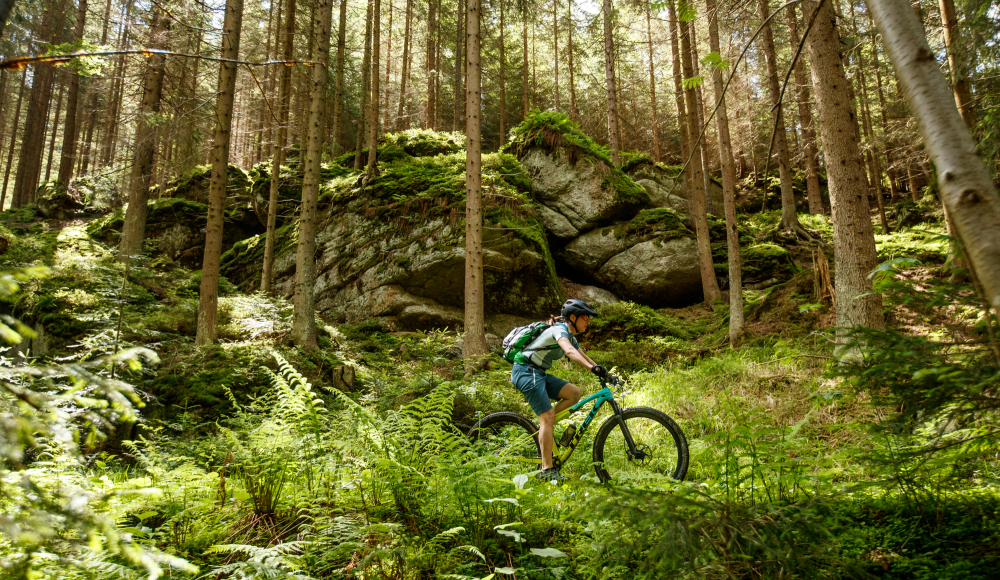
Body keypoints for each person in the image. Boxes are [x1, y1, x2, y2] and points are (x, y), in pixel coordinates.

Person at [510, 299, 611, 482]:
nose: (588, 322)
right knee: (547, 417)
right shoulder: (559, 330)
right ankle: (547, 470)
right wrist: (593, 369)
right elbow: (570, 352)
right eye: (585, 317)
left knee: (574, 394)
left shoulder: (570, 335)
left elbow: (581, 355)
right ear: (573, 317)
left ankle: (545, 429)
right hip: (525, 371)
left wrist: (603, 371)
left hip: (537, 372)